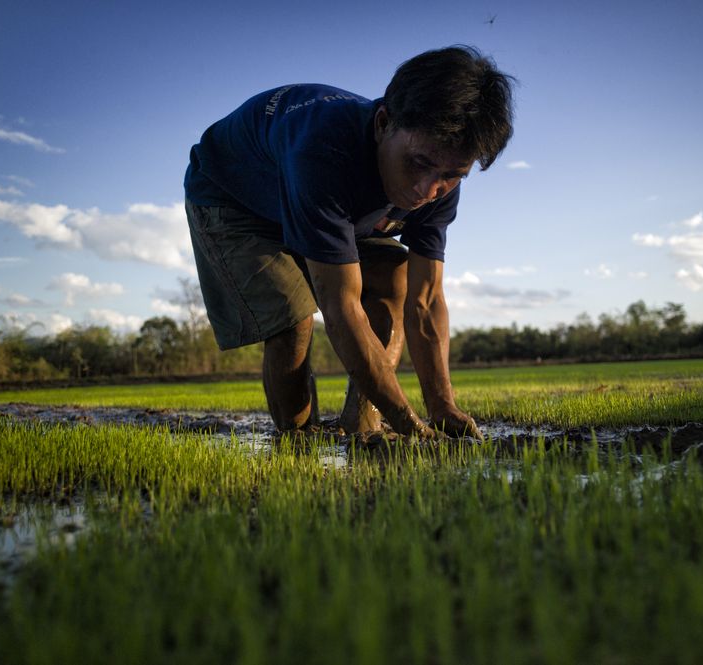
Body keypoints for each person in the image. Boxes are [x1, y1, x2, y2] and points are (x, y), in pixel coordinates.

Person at [183, 45, 515, 439]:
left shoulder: (439, 183)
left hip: (329, 204)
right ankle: (299, 438)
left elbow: (424, 303)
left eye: (453, 173)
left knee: (396, 280)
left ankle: (362, 424)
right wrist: (411, 426)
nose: (428, 189)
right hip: (235, 199)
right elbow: (340, 305)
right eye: (419, 163)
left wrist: (442, 408)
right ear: (382, 124)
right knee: (293, 318)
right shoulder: (324, 149)